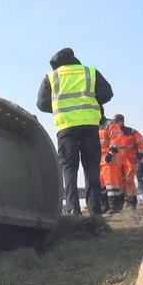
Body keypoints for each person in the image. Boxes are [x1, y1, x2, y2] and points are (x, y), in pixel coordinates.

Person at [37, 48, 113, 216]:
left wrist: (60, 108)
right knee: (91, 167)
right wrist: (88, 100)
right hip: (89, 125)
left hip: (66, 128)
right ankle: (95, 211)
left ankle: (73, 210)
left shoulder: (52, 77)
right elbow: (107, 93)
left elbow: (41, 104)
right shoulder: (89, 72)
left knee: (69, 169)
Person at [113, 114, 143, 210]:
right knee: (118, 181)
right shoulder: (113, 133)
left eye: (117, 121)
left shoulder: (131, 132)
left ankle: (131, 202)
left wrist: (140, 154)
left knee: (129, 181)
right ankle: (121, 203)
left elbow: (141, 142)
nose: (116, 124)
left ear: (122, 121)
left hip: (130, 160)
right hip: (117, 161)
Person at [99, 116, 124, 215]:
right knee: (102, 185)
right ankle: (105, 206)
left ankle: (114, 207)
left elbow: (116, 139)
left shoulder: (111, 124)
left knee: (111, 184)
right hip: (100, 161)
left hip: (110, 160)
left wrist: (111, 152)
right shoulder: (94, 125)